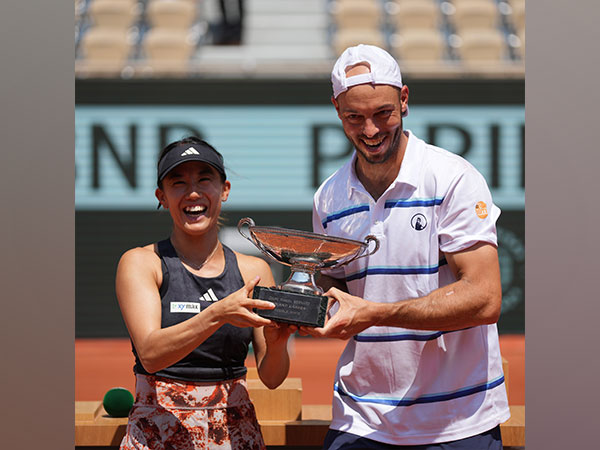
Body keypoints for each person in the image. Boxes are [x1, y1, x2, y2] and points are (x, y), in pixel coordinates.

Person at [305, 45, 510, 449]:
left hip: (457, 421)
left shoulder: (453, 178)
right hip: (361, 419)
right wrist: (295, 309)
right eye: (354, 117)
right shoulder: (327, 199)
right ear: (336, 110)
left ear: (404, 99)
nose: (370, 130)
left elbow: (485, 298)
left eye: (383, 113)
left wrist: (375, 314)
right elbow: (336, 296)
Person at [116, 136, 296, 450]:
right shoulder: (141, 263)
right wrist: (217, 313)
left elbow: (272, 378)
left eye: (204, 179)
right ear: (162, 196)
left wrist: (278, 346)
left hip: (235, 432)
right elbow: (151, 354)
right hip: (157, 432)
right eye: (178, 182)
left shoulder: (254, 271)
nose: (194, 192)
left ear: (224, 190)